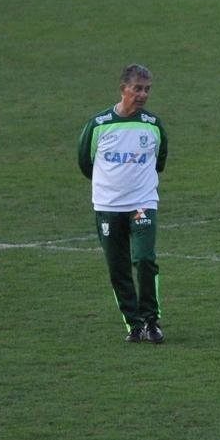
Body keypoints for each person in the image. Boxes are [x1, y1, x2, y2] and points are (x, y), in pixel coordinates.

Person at [78, 64, 169, 344]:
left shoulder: (152, 126)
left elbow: (160, 162)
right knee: (117, 268)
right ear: (123, 89)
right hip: (107, 207)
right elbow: (85, 162)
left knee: (144, 259)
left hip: (142, 204)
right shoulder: (99, 125)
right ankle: (134, 324)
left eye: (147, 89)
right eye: (137, 88)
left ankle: (152, 321)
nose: (142, 95)